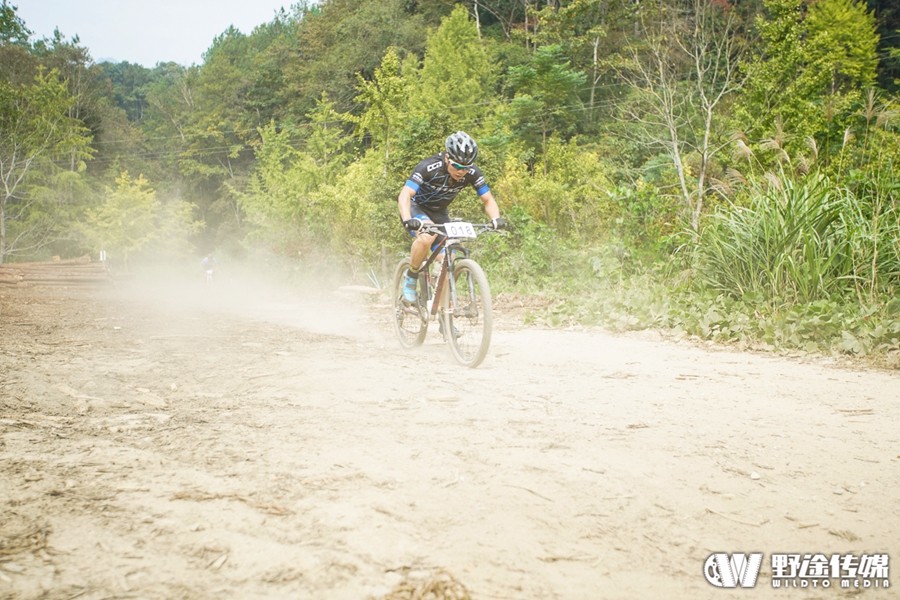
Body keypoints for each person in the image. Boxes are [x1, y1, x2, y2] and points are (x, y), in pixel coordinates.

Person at [397, 131, 506, 303]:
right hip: (417, 208)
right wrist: (407, 219)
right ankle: (411, 277)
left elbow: (487, 199)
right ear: (447, 158)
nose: (461, 172)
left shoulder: (472, 173)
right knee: (427, 237)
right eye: (457, 166)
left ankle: (444, 318)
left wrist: (496, 219)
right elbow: (405, 195)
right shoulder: (428, 167)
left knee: (450, 259)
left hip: (440, 213)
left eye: (466, 168)